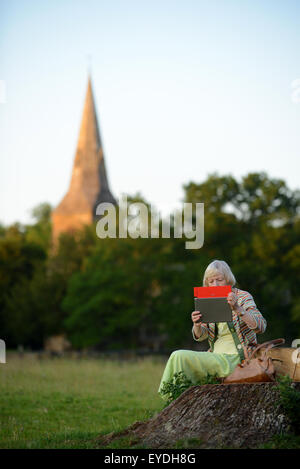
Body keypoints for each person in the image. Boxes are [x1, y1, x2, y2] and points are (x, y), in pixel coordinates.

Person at [158, 259, 267, 398]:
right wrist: (197, 324)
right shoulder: (208, 298)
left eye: (219, 279)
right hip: (215, 357)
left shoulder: (242, 296)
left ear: (228, 279)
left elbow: (261, 326)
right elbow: (201, 336)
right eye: (210, 281)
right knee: (177, 356)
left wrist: (238, 309)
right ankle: (174, 398)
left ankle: (171, 398)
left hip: (238, 358)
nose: (214, 284)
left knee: (179, 356)